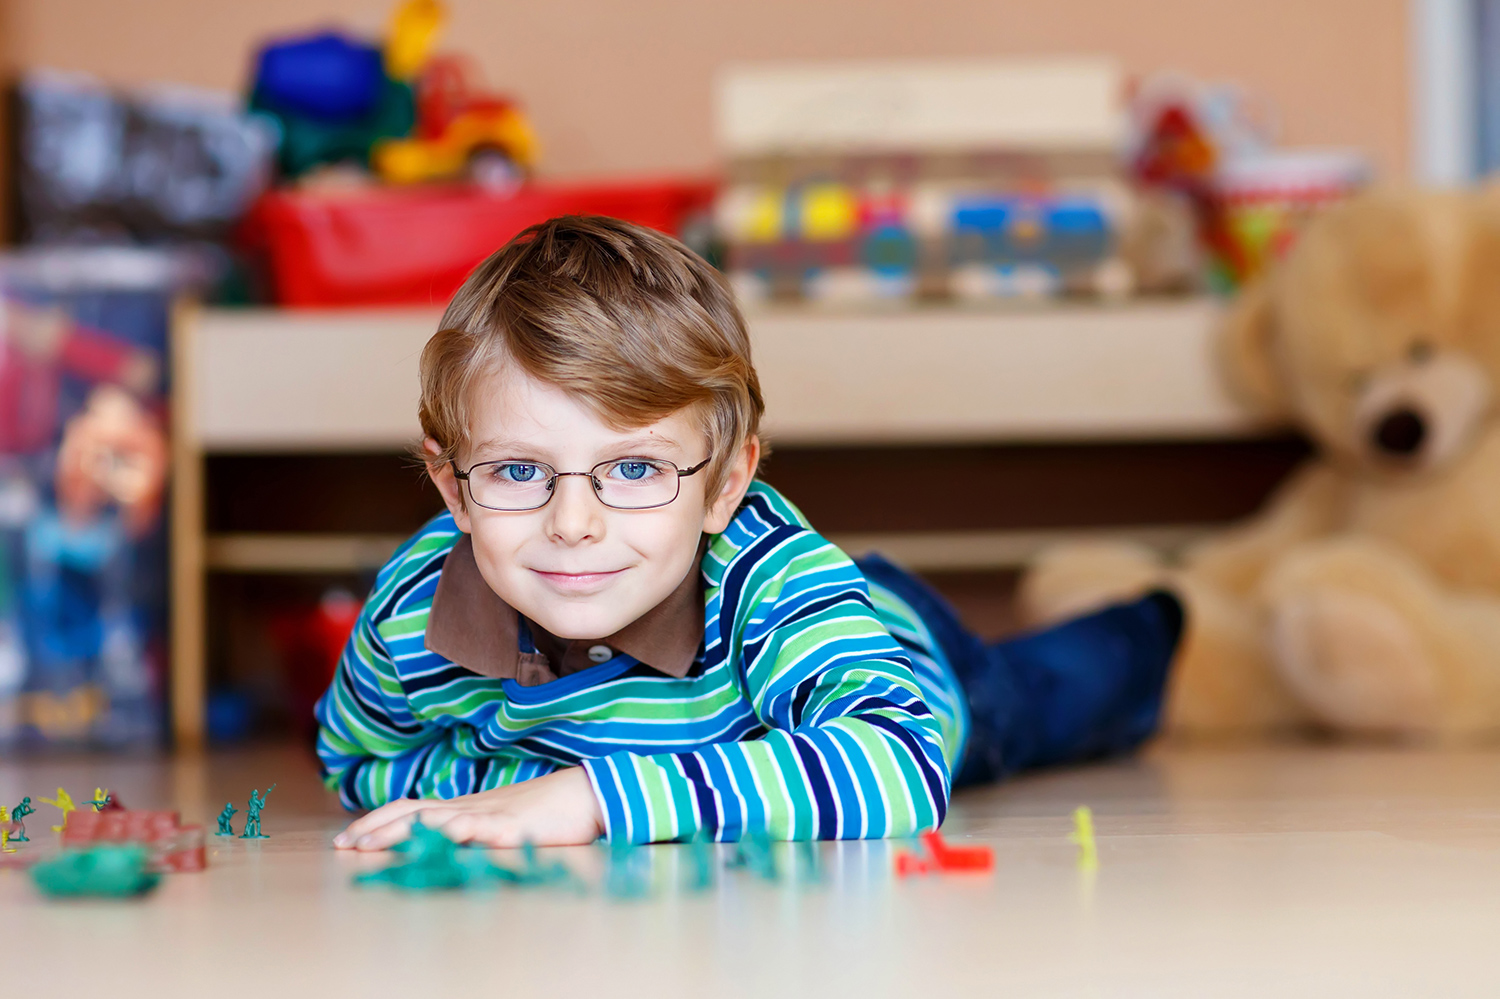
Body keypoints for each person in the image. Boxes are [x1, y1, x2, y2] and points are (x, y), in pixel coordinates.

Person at [318, 216, 1183, 850]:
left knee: (1056, 693)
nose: (572, 525)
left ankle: (1155, 624)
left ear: (726, 484)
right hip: (767, 714)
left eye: (634, 469)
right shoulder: (411, 611)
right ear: (451, 487)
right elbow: (353, 759)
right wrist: (518, 789)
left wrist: (594, 796)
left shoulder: (764, 574)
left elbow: (900, 765)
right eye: (517, 472)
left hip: (896, 656)